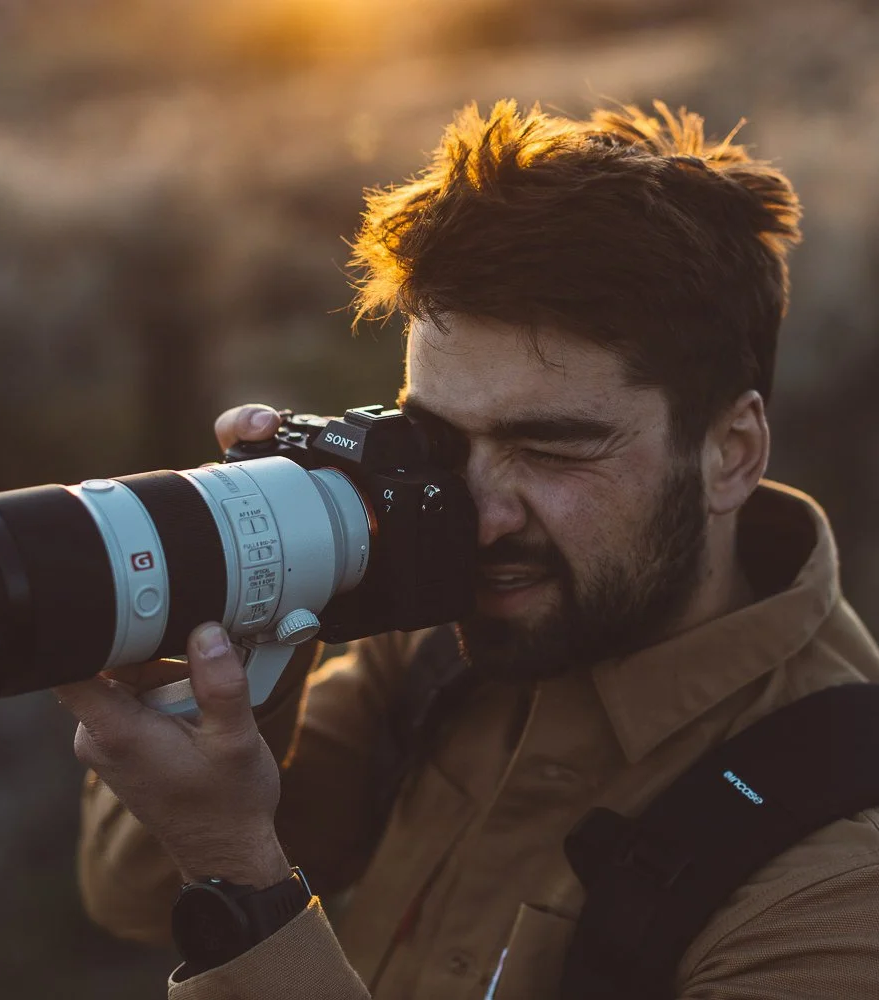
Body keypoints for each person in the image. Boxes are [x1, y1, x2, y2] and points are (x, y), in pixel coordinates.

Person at [57, 100, 879, 999]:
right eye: (440, 445)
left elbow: (217, 857)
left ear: (732, 454)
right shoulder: (436, 650)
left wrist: (244, 884)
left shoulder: (838, 878)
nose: (478, 521)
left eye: (554, 447)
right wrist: (241, 634)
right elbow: (136, 894)